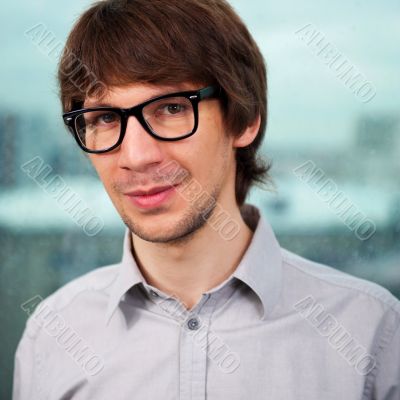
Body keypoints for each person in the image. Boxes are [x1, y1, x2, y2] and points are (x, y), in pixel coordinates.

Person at [13, 0, 400, 398]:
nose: (136, 156)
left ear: (244, 119)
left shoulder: (372, 333)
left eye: (171, 108)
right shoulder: (53, 336)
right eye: (106, 119)